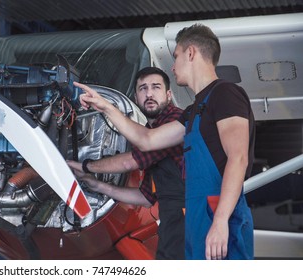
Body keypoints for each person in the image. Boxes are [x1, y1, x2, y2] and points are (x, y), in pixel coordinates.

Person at [74, 23, 255, 260]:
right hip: (197, 218)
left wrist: (221, 221)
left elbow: (238, 157)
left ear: (190, 53)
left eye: (176, 56)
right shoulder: (194, 111)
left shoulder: (225, 93)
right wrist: (105, 106)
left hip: (218, 214)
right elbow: (147, 139)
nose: (173, 65)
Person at [68, 66, 185, 260]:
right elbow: (146, 197)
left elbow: (130, 162)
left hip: (187, 218)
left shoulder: (174, 120)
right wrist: (98, 185)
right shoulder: (149, 130)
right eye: (142, 89)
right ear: (136, 97)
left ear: (169, 95)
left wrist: (85, 166)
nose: (149, 94)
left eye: (156, 87)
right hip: (172, 222)